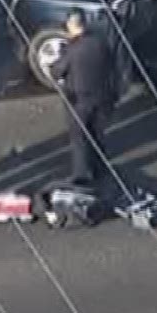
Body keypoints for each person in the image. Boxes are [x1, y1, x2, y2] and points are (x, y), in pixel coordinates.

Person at [52, 11, 119, 187]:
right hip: (103, 96)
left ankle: (82, 174)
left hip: (79, 100)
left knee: (80, 138)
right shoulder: (100, 43)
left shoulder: (72, 49)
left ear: (71, 26)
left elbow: (57, 71)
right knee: (98, 134)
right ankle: (100, 168)